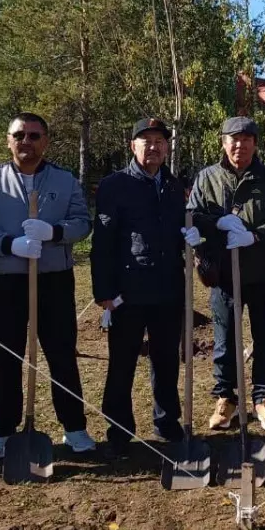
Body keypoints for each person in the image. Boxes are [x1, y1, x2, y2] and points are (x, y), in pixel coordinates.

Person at [0, 113, 95, 462]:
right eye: (19, 135)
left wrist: (54, 233)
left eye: (34, 135)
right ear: (8, 140)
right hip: (6, 279)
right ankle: (4, 432)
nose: (27, 141)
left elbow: (83, 223)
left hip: (53, 278)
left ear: (46, 141)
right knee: (6, 356)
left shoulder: (64, 180)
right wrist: (9, 244)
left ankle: (74, 428)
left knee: (61, 354)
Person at [91, 117, 198, 453]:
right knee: (122, 361)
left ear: (167, 147)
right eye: (146, 140)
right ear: (132, 145)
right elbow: (103, 241)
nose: (153, 147)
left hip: (168, 288)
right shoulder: (115, 184)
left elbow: (182, 225)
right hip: (128, 290)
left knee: (166, 359)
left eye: (159, 141)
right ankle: (119, 430)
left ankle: (166, 422)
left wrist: (197, 232)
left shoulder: (173, 184)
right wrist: (104, 292)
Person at [188, 116, 265, 432]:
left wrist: (256, 236)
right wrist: (216, 224)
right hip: (222, 275)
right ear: (223, 142)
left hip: (262, 273)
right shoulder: (208, 177)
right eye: (234, 139)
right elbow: (193, 215)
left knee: (264, 339)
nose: (240, 145)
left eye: (247, 139)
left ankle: (263, 398)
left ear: (255, 144)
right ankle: (226, 399)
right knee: (224, 341)